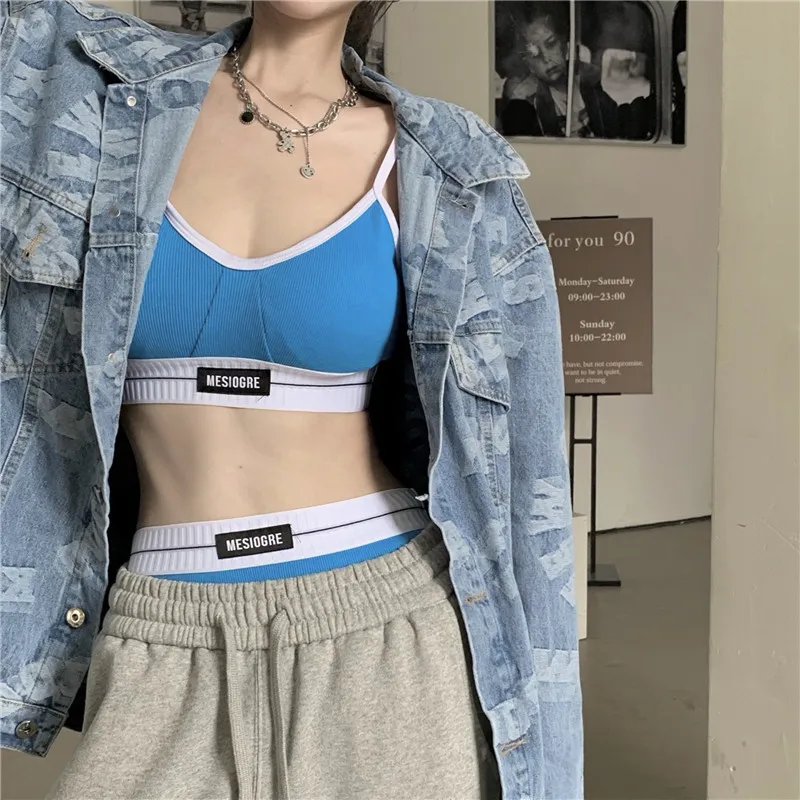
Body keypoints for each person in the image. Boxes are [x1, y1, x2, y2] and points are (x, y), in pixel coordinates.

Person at [0, 1, 582, 798]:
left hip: (387, 626)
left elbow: (530, 499)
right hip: (162, 623)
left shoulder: (451, 167)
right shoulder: (88, 88)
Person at [498, 1, 654, 140]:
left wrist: (650, 107)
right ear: (528, 64)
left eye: (551, 44)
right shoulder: (526, 105)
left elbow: (616, 124)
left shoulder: (588, 86)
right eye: (535, 54)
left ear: (564, 45)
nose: (546, 58)